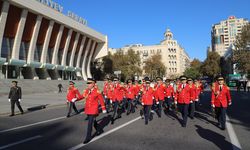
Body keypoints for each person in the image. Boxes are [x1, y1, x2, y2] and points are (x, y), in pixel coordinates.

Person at [82, 78, 106, 144]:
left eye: (90, 83)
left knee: (90, 123)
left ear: (93, 84)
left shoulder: (97, 91)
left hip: (93, 109)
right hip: (88, 109)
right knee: (94, 121)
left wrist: (103, 108)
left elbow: (101, 100)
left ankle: (88, 137)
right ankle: (100, 129)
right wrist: (76, 99)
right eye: (88, 83)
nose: (88, 84)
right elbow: (82, 96)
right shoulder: (86, 90)